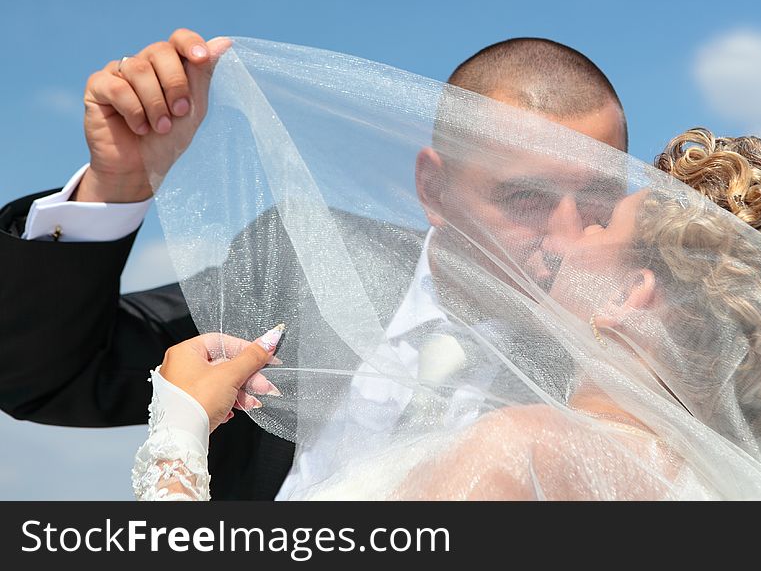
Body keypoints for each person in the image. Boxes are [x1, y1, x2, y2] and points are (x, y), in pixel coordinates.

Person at [0, 30, 628, 499]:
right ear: (434, 190)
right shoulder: (297, 259)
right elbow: (49, 378)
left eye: (598, 200)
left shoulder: (629, 359)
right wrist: (118, 185)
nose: (567, 238)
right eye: (524, 199)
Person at [134, 122, 761, 501]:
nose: (563, 228)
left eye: (597, 222)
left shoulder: (525, 453)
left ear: (631, 296)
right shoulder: (700, 485)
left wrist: (178, 434)